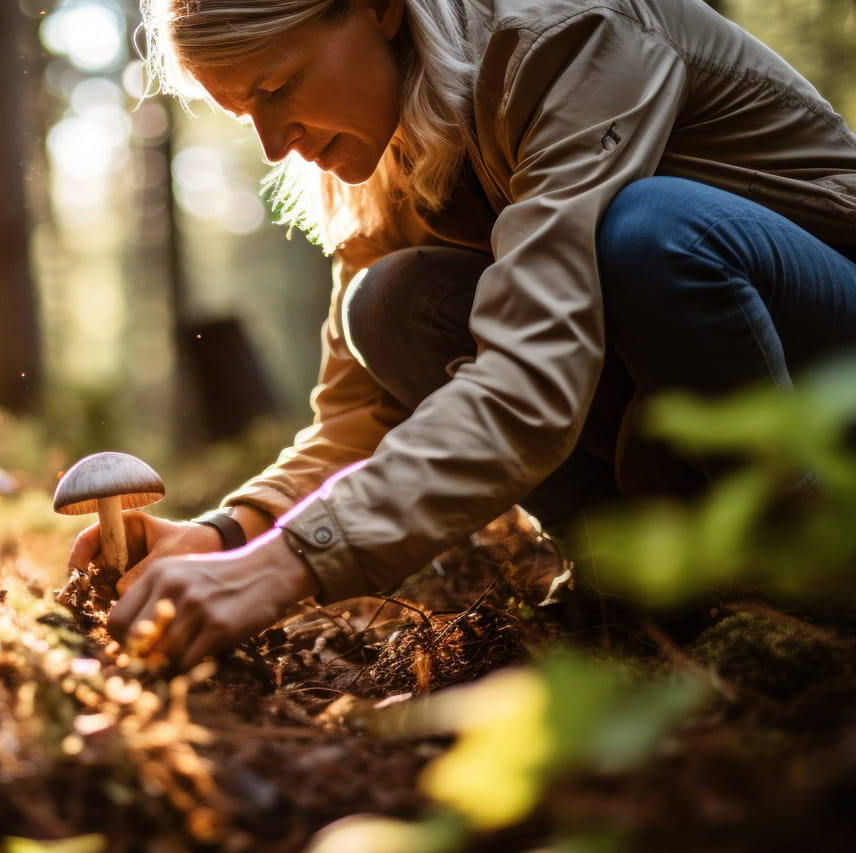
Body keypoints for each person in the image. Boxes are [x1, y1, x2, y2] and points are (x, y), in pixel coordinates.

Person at [67, 0, 856, 671]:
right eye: (248, 113)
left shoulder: (563, 37)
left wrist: (288, 564)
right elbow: (363, 415)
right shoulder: (389, 141)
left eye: (279, 87)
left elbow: (530, 377)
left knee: (653, 236)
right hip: (697, 370)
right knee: (389, 305)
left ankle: (808, 579)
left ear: (377, 8)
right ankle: (637, 585)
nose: (274, 144)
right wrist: (228, 535)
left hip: (832, 362)